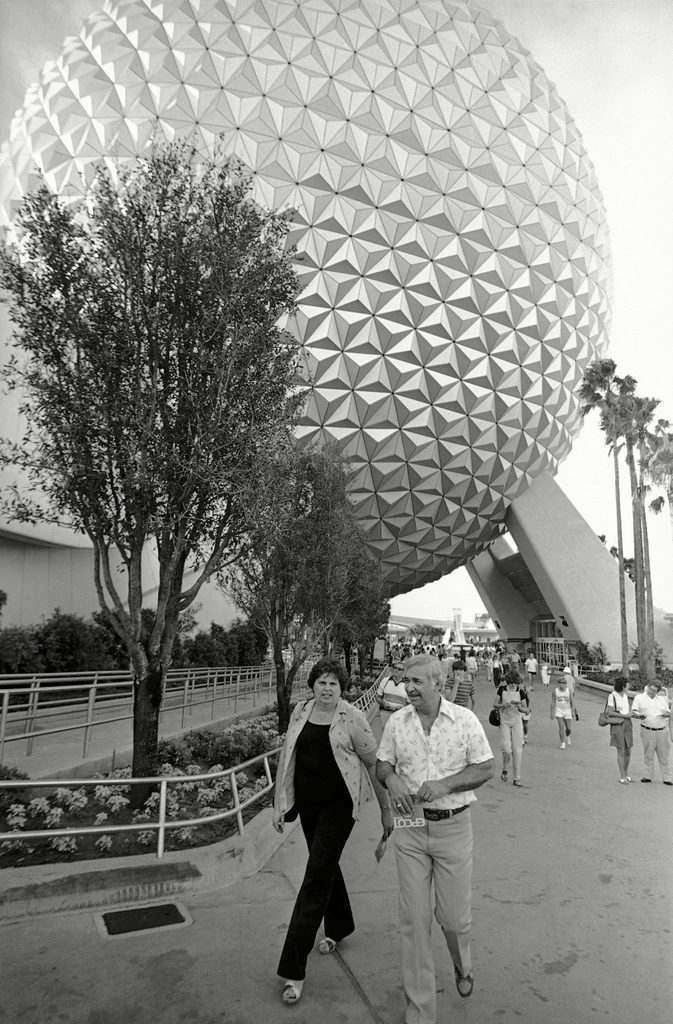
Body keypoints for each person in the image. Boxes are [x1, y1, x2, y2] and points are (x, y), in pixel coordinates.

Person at [376, 654, 494, 1022]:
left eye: (416, 682)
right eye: (405, 680)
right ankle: (420, 1010)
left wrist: (445, 784)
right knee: (413, 919)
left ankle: (462, 964)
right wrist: (391, 779)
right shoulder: (397, 723)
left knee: (454, 919)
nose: (408, 687)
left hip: (453, 827)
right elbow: (383, 764)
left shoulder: (464, 721)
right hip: (410, 829)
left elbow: (486, 767)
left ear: (438, 684)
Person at [272, 658, 393, 1004]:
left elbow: (373, 764)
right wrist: (279, 804)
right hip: (308, 805)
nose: (327, 688)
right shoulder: (301, 711)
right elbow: (287, 756)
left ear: (342, 688)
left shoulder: (351, 718)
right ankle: (340, 927)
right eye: (322, 682)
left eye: (334, 684)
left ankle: (293, 969)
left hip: (340, 807)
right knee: (324, 868)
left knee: (314, 878)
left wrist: (386, 811)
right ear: (312, 685)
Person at [630, 681, 672, 785]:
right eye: (650, 689)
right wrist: (639, 715)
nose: (651, 692)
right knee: (648, 754)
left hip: (662, 730)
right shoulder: (639, 698)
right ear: (647, 687)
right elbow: (634, 711)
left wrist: (666, 714)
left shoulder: (662, 700)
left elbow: (667, 712)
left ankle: (667, 778)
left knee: (664, 756)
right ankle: (648, 776)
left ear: (657, 691)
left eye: (654, 691)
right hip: (647, 729)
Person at [493, 671, 528, 785]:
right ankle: (505, 768)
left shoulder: (520, 692)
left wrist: (519, 707)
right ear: (508, 681)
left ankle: (517, 778)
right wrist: (503, 705)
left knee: (517, 750)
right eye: (511, 683)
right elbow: (494, 704)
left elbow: (526, 709)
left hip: (516, 721)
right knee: (506, 748)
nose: (513, 685)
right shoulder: (502, 690)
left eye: (515, 683)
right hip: (504, 721)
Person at [604, 676, 634, 783]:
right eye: (627, 684)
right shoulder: (612, 696)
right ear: (623, 686)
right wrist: (626, 716)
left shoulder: (625, 696)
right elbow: (610, 712)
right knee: (621, 750)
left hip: (627, 723)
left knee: (628, 750)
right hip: (618, 723)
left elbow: (627, 710)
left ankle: (626, 774)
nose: (629, 686)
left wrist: (634, 715)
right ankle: (622, 776)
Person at [375, 661, 410, 725]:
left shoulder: (407, 685)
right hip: (385, 713)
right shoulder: (385, 681)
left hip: (400, 715)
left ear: (403, 672)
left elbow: (410, 704)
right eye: (395, 668)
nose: (396, 670)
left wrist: (403, 708)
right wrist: (383, 703)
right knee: (385, 733)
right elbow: (378, 697)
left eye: (399, 669)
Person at [550, 673, 576, 748]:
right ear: (558, 683)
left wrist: (573, 711)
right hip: (559, 710)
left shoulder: (569, 691)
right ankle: (562, 742)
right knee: (561, 726)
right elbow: (552, 702)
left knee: (569, 729)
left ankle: (567, 734)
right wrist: (552, 712)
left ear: (566, 684)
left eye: (563, 683)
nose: (562, 684)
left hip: (567, 710)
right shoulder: (555, 691)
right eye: (560, 682)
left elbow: (572, 701)